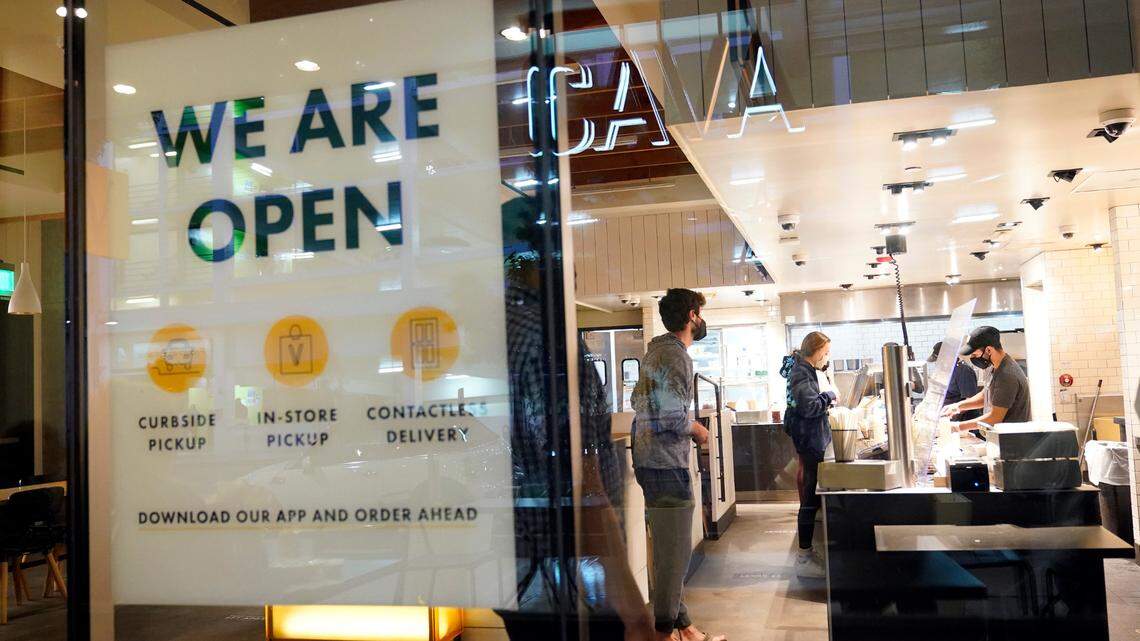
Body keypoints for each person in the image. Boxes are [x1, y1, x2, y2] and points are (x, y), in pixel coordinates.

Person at [498, 197, 653, 641]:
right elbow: (583, 480)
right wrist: (629, 601)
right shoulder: (551, 340)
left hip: (515, 567)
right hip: (571, 575)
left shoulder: (485, 332)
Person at [630, 288, 725, 641]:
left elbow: (637, 399)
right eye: (699, 313)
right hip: (666, 464)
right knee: (674, 555)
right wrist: (696, 428)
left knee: (670, 550)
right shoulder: (677, 358)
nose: (701, 320)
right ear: (691, 316)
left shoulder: (655, 353)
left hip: (647, 461)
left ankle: (685, 627)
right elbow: (670, 416)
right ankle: (664, 632)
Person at [780, 331, 836, 579]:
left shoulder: (805, 369)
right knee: (810, 499)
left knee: (811, 495)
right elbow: (810, 406)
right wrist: (830, 396)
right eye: (826, 351)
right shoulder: (802, 371)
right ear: (817, 349)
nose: (827, 356)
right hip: (809, 438)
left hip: (810, 437)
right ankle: (804, 555)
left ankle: (807, 552)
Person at [941, 326, 1032, 431]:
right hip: (998, 437)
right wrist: (957, 406)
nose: (973, 358)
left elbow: (995, 418)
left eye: (975, 354)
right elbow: (986, 396)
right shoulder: (994, 367)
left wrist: (956, 427)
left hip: (1011, 440)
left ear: (988, 350)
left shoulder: (1006, 375)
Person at [927, 341, 981, 421]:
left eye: (939, 360)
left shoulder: (963, 371)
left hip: (964, 421)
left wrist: (947, 416)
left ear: (948, 357)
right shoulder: (950, 371)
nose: (938, 364)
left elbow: (970, 401)